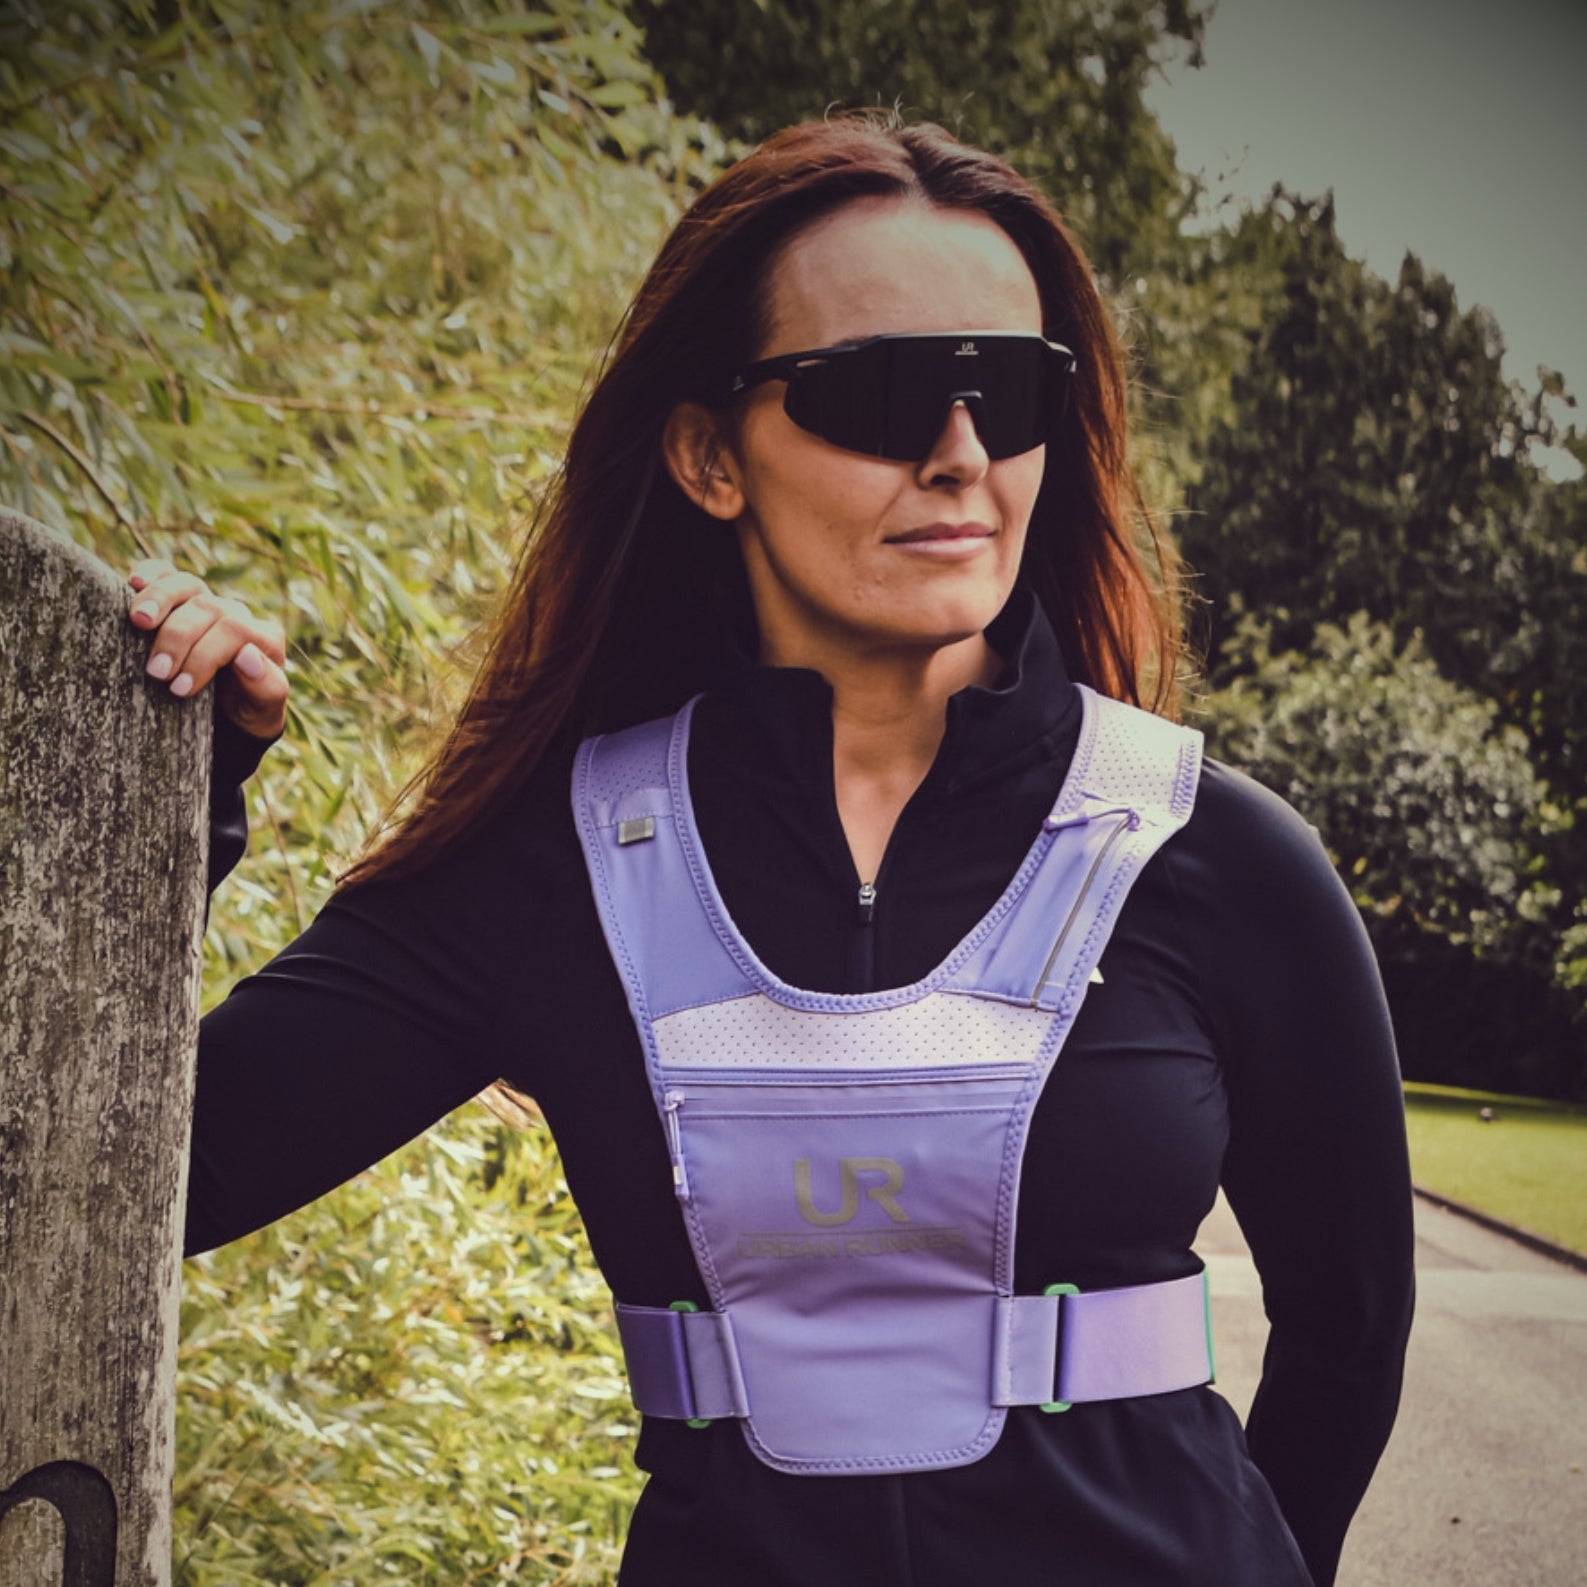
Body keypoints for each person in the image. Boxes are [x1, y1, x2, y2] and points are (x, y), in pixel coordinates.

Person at [126, 115, 1415, 1587]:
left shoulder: (1218, 857)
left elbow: (1349, 1329)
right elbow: (157, 1175)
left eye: (1010, 390)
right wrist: (171, 813)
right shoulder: (556, 864)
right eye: (878, 393)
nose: (961, 452)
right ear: (707, 454)